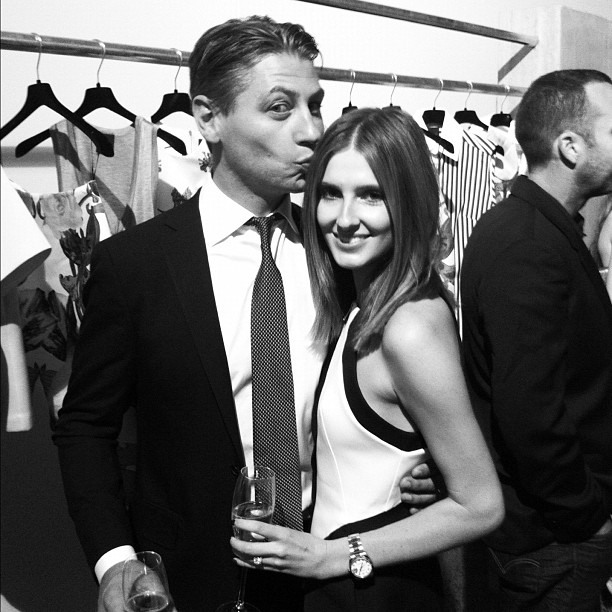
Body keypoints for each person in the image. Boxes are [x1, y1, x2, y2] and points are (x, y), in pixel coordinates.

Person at [52, 16, 435, 612]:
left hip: (326, 571)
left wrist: (418, 458)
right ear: (209, 118)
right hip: (190, 576)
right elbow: (85, 425)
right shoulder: (135, 265)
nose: (312, 131)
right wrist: (116, 560)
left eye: (315, 105)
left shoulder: (341, 250)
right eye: (281, 108)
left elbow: (393, 385)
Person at [228, 106, 504, 611]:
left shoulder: (409, 327)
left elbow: (482, 505)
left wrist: (333, 557)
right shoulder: (367, 299)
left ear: (409, 203)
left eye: (372, 196)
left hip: (372, 588)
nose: (345, 219)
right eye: (331, 193)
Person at [460, 69, 612, 611]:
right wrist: (587, 516)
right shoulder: (527, 243)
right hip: (550, 541)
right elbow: (530, 411)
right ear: (570, 147)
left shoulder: (542, 226)